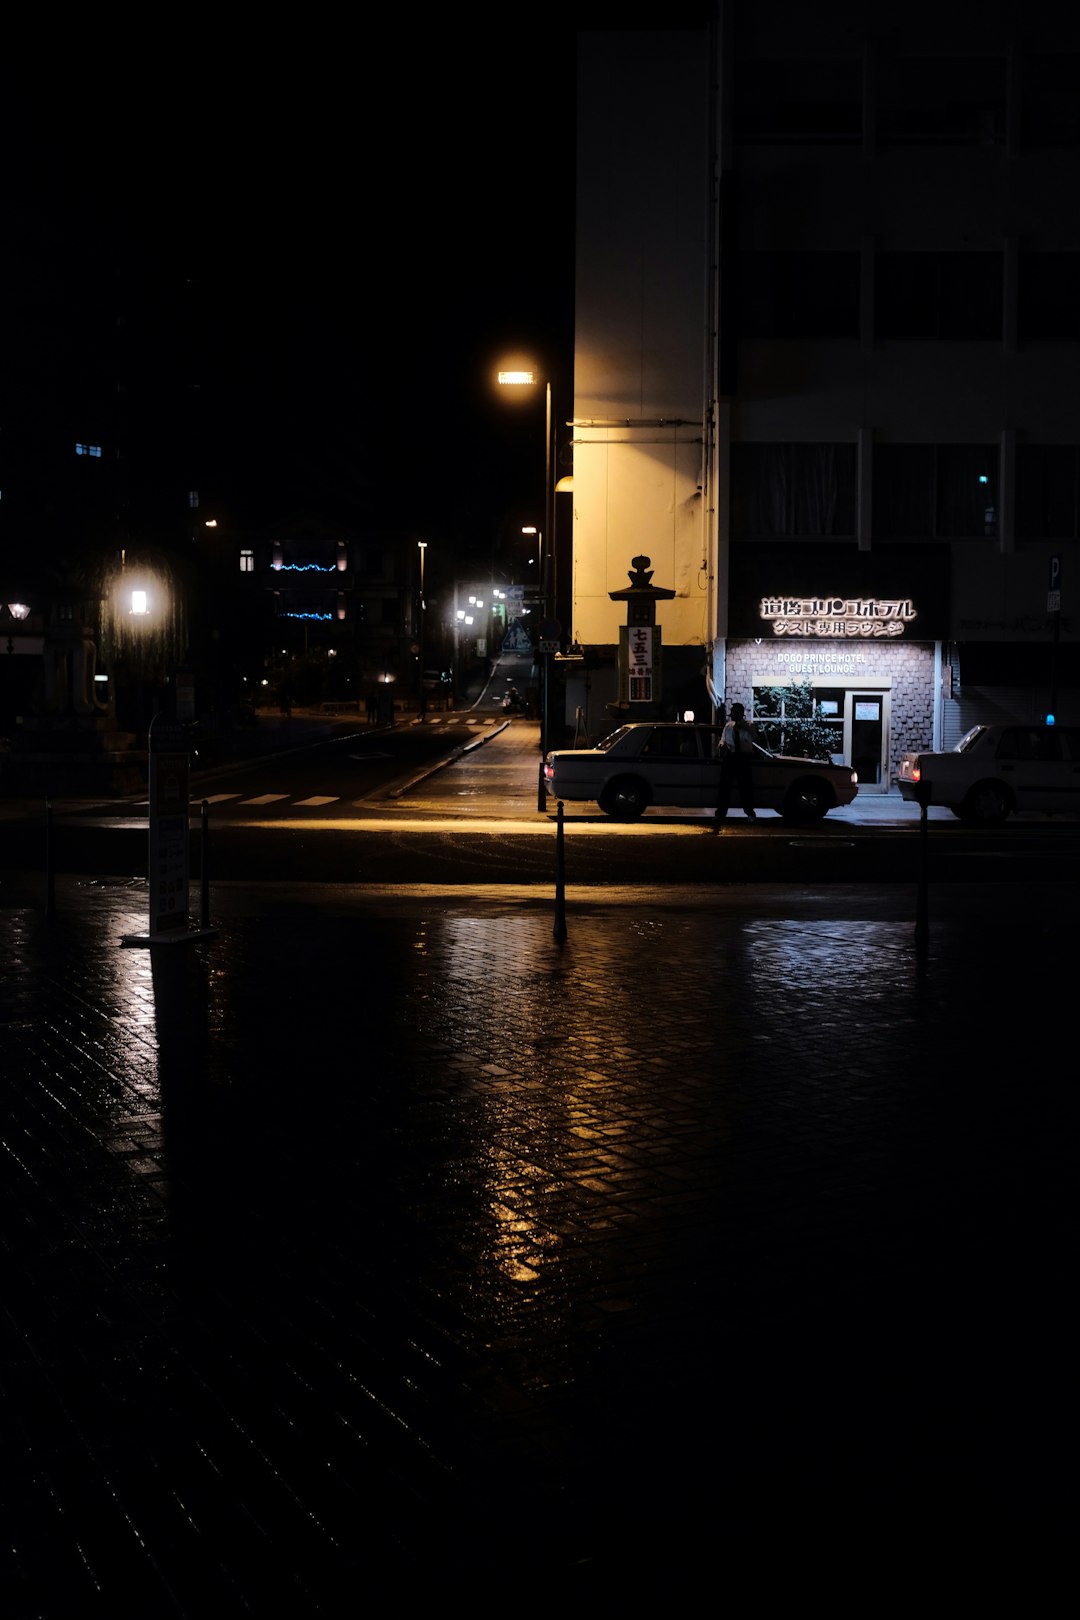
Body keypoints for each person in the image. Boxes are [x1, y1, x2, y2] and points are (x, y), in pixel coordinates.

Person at [712, 701, 757, 828]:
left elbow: (754, 738)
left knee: (745, 786)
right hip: (730, 757)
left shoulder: (749, 725)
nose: (731, 714)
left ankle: (750, 813)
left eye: (733, 712)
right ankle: (720, 813)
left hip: (743, 758)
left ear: (740, 713)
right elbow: (722, 740)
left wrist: (743, 727)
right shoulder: (728, 726)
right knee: (724, 786)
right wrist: (722, 745)